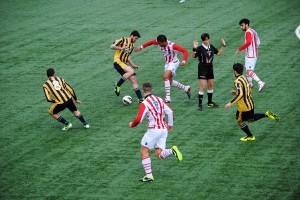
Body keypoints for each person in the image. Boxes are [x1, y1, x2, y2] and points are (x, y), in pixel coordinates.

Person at [129, 83, 182, 182]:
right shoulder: (159, 99)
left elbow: (139, 119)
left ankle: (149, 176)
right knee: (159, 154)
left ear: (143, 91)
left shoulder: (144, 103)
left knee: (144, 151)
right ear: (151, 90)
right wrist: (170, 125)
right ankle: (172, 151)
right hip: (163, 129)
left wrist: (132, 124)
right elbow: (170, 111)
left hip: (154, 130)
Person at [224, 63, 279, 141]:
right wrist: (236, 91)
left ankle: (250, 136)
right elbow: (249, 89)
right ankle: (266, 114)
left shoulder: (237, 81)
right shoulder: (244, 78)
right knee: (251, 119)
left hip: (243, 107)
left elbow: (240, 95)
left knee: (239, 121)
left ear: (235, 71)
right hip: (250, 103)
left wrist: (230, 103)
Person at [135, 35, 191, 103]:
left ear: (164, 42)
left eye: (160, 43)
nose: (159, 45)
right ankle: (185, 88)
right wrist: (141, 47)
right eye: (158, 43)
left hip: (174, 63)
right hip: (167, 64)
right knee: (169, 82)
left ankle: (168, 98)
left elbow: (185, 51)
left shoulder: (172, 46)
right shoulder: (160, 42)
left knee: (165, 77)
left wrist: (184, 60)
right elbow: (152, 42)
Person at [192, 33, 226, 111]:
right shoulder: (200, 48)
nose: (206, 41)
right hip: (202, 68)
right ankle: (200, 104)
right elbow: (193, 56)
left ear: (209, 39)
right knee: (202, 87)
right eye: (204, 40)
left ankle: (210, 103)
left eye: (207, 39)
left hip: (210, 68)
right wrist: (194, 48)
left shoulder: (211, 47)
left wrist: (223, 46)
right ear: (202, 40)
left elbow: (218, 53)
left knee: (210, 85)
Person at [111, 30, 144, 103]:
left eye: (137, 39)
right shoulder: (123, 40)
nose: (136, 40)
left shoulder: (132, 46)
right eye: (135, 38)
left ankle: (140, 99)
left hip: (124, 64)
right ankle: (118, 85)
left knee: (133, 79)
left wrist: (133, 65)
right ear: (131, 35)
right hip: (118, 62)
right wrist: (121, 48)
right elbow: (112, 46)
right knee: (131, 71)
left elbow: (127, 56)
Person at [237, 18, 266, 92]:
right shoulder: (253, 31)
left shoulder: (248, 32)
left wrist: (240, 49)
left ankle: (260, 83)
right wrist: (256, 49)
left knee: (248, 71)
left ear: (246, 25)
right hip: (253, 53)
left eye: (242, 25)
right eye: (240, 25)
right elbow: (258, 42)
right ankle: (250, 85)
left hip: (251, 54)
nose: (241, 27)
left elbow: (249, 42)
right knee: (247, 70)